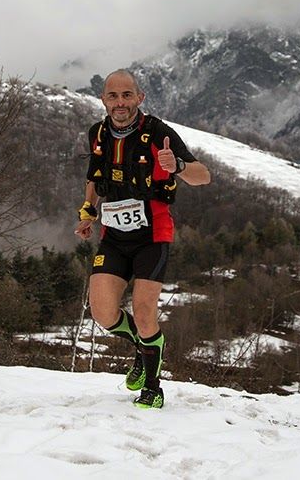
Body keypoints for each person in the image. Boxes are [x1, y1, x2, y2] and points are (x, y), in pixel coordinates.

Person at [74, 69, 210, 409]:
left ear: (139, 97)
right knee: (104, 314)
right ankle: (145, 345)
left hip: (152, 234)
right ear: (104, 99)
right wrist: (88, 211)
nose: (120, 103)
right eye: (113, 96)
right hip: (114, 235)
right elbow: (95, 177)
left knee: (144, 311)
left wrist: (176, 164)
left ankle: (152, 385)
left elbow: (203, 176)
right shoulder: (98, 134)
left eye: (126, 95)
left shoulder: (158, 133)